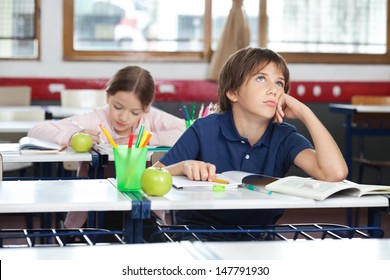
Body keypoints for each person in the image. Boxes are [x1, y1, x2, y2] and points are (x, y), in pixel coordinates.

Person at [153, 47, 348, 240]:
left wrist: (305, 112)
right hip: (198, 235)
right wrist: (183, 166)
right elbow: (152, 175)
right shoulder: (204, 129)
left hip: (259, 238)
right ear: (233, 92)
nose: (273, 89)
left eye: (279, 83)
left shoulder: (285, 137)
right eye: (261, 78)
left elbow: (334, 173)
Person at [28, 65, 185, 228]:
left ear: (146, 108)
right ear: (107, 97)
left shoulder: (150, 118)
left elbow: (189, 129)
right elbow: (36, 131)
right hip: (93, 211)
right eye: (117, 107)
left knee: (146, 239)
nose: (124, 117)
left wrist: (148, 138)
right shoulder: (96, 119)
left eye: (135, 112)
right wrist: (72, 136)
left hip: (142, 209)